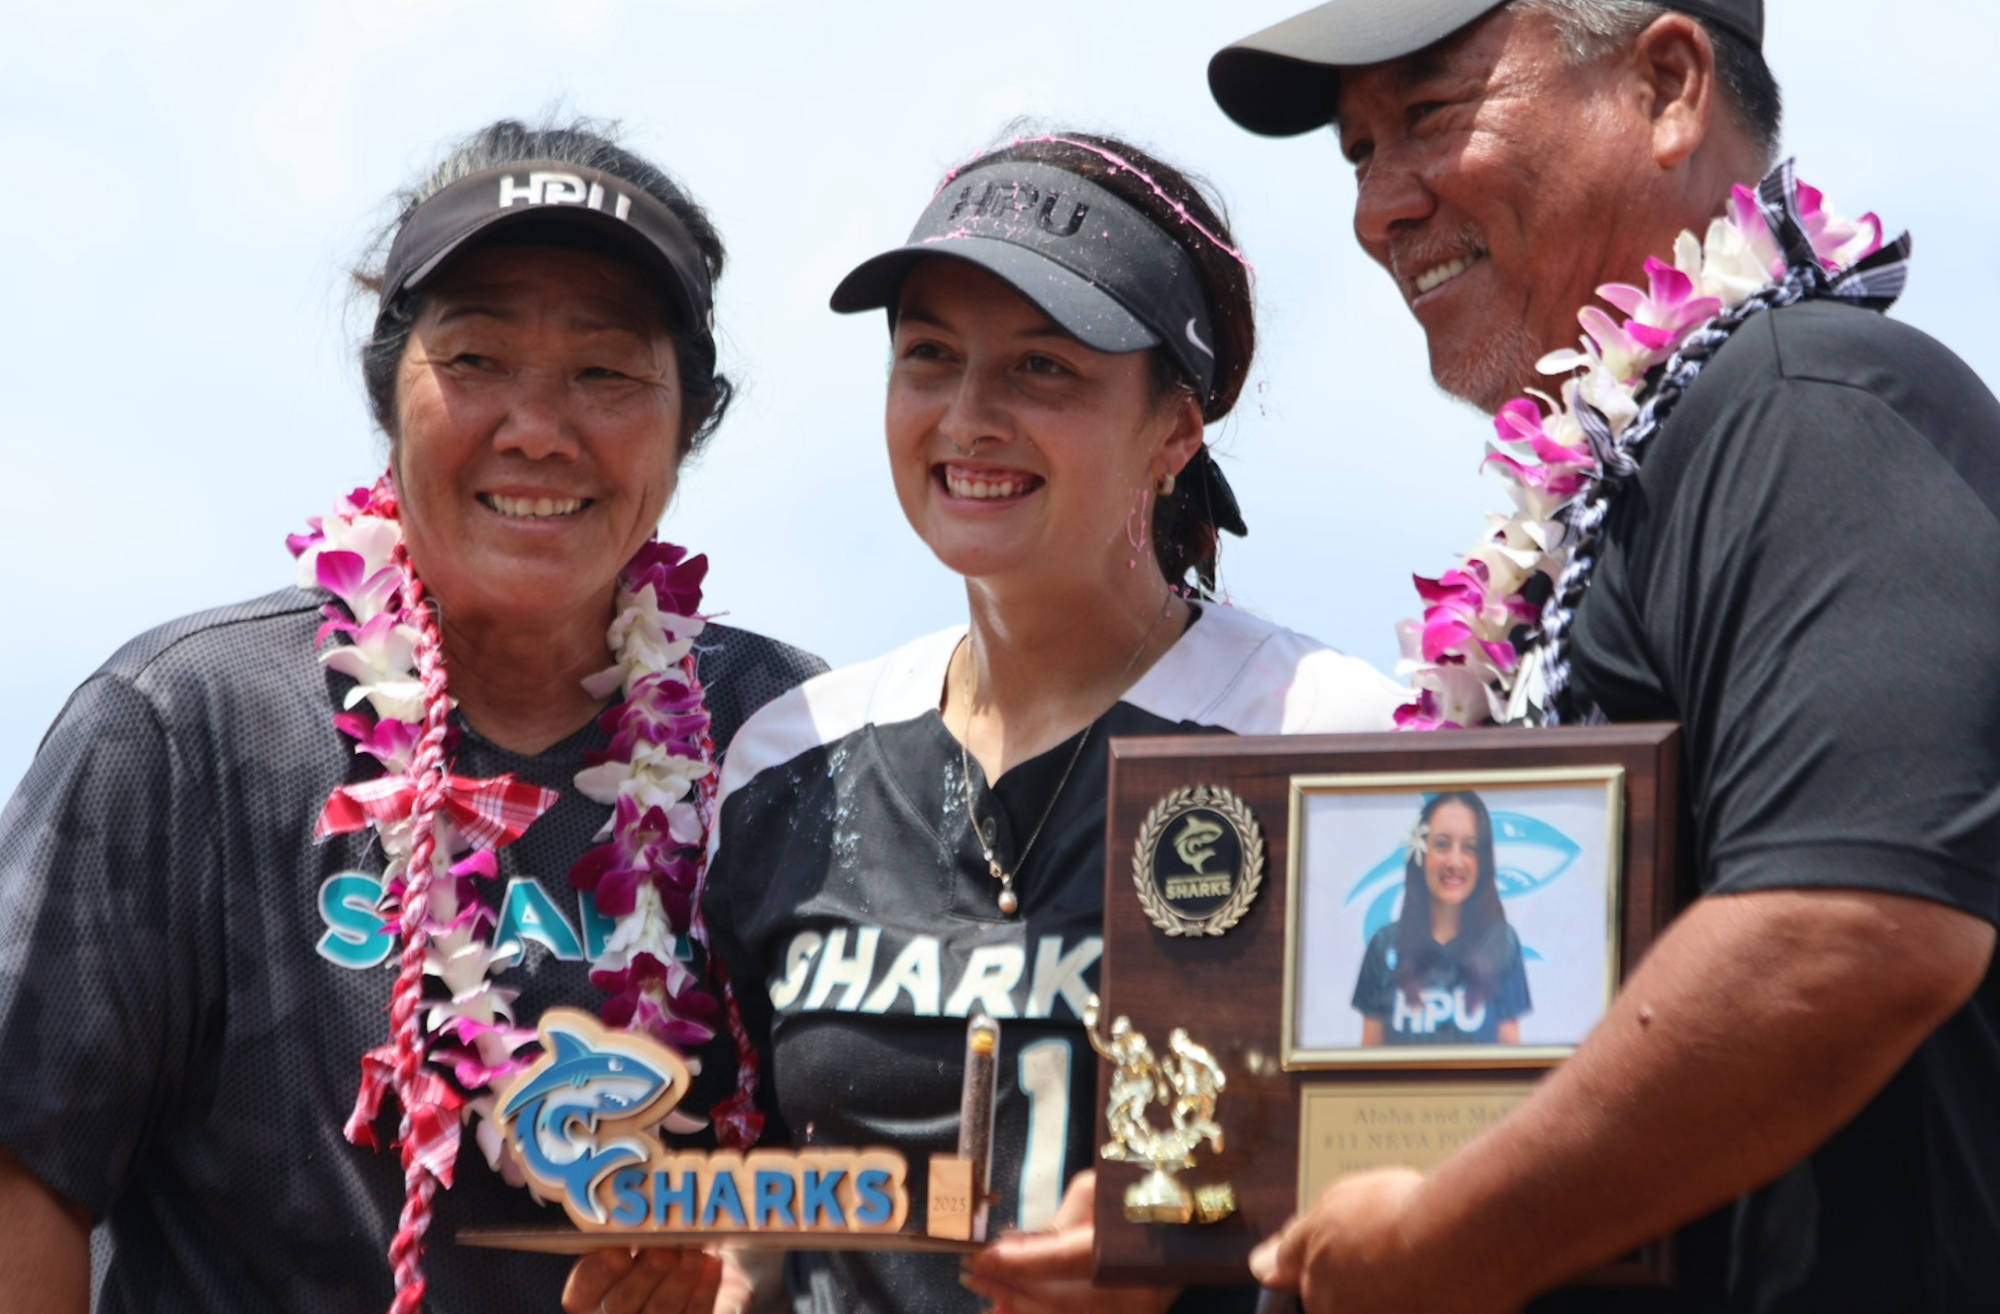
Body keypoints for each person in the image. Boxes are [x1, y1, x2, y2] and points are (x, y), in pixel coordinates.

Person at [1205, 2, 2000, 1311]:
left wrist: (1451, 1240)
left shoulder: (1814, 404)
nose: (1378, 209)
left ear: (1670, 84)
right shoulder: (1627, 491)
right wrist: (1187, 1204)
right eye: (1357, 151)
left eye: (1428, 115)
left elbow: (1855, 928)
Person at [0, 119, 825, 1314]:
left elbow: (886, 1182)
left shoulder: (795, 747)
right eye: (478, 360)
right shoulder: (186, 726)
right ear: (389, 391)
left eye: (603, 372)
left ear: (689, 421)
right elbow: (28, 1166)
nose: (538, 429)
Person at [699, 130, 1407, 1314]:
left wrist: (1190, 1246)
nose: (969, 416)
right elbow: (762, 1201)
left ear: (1175, 431)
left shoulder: (1330, 739)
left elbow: (1435, 1169)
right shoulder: (788, 753)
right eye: (929, 356)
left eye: (1043, 369)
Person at [1353, 792, 1528, 1047]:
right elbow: (1368, 1057)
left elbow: (1511, 1055)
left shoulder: (1503, 944)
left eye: (1469, 847)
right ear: (1420, 854)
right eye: (1442, 844)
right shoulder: (1384, 946)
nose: (1455, 861)